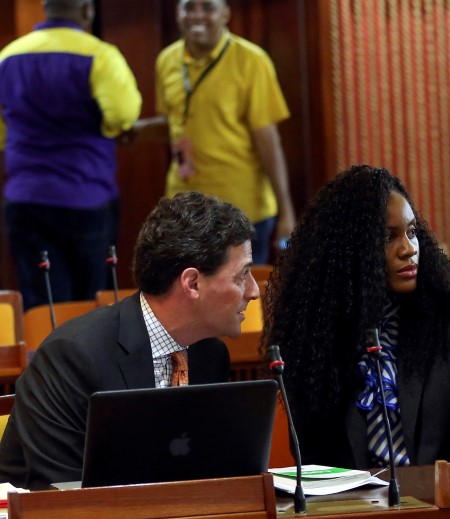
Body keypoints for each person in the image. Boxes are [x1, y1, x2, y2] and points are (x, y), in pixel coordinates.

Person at [0, 191, 260, 490]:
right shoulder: (72, 356)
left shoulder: (210, 354)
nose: (253, 291)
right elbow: (62, 493)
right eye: (242, 275)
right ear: (192, 283)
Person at [263, 164, 450, 468]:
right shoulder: (314, 333)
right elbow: (315, 464)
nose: (408, 249)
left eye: (412, 232)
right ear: (349, 251)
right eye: (388, 237)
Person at [129, 0, 295, 264]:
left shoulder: (251, 60)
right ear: (177, 13)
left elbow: (268, 140)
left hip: (242, 208)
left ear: (225, 14)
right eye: (188, 7)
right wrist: (134, 131)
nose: (197, 15)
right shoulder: (167, 60)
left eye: (207, 7)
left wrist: (286, 211)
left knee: (240, 299)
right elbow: (175, 123)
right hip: (184, 209)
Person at [0, 0, 142, 310]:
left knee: (42, 302)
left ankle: (46, 357)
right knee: (89, 303)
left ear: (45, 8)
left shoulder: (8, 57)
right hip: (85, 196)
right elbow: (122, 115)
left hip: (26, 199)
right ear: (87, 11)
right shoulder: (100, 55)